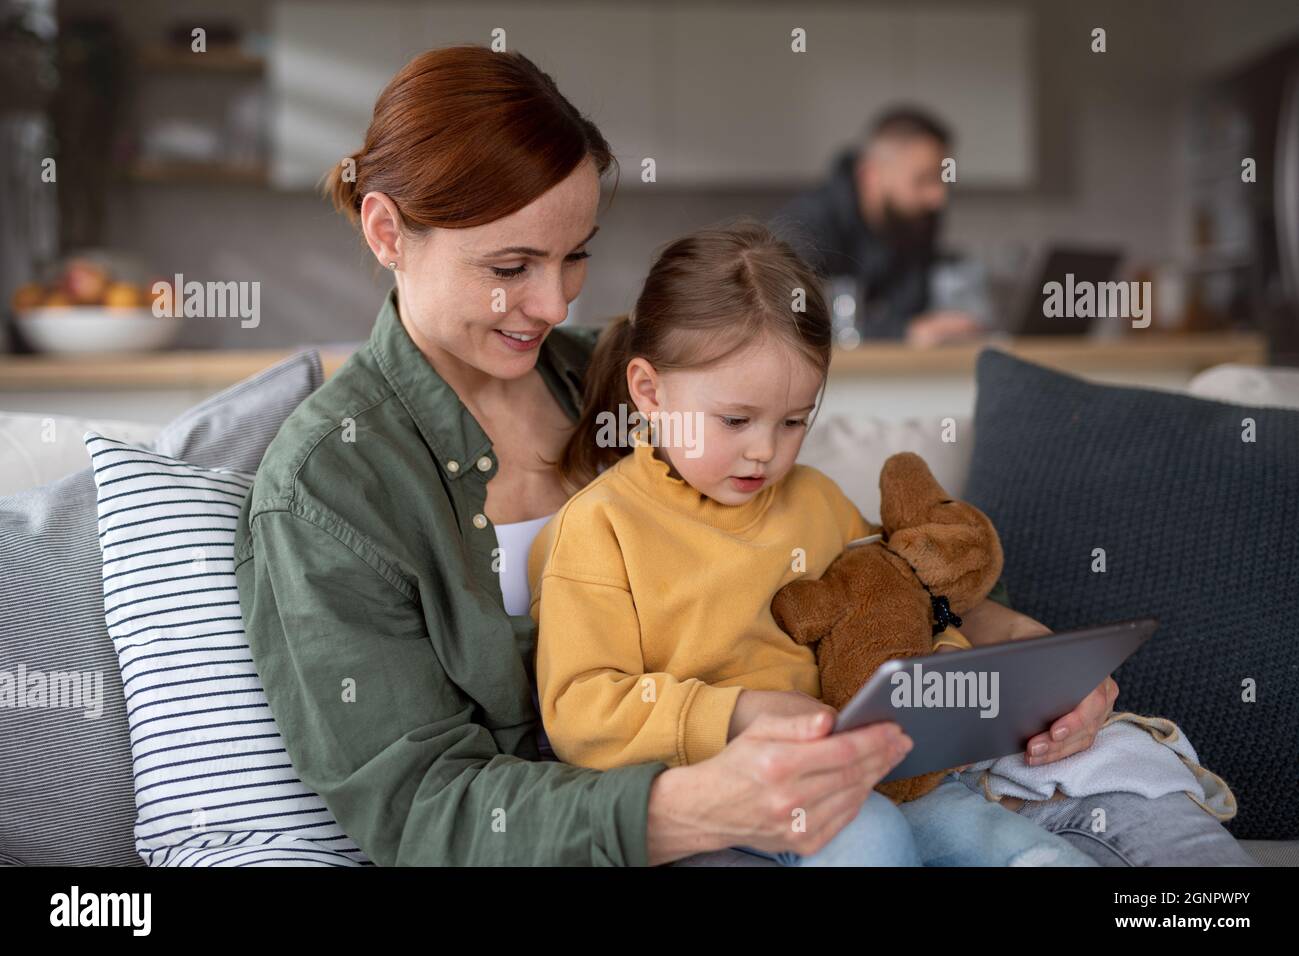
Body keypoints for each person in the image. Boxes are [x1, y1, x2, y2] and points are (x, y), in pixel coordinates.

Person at [233, 44, 1117, 867]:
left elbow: (871, 583)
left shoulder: (636, 384)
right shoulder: (330, 487)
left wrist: (1027, 668)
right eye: (511, 265)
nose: (549, 303)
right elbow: (417, 809)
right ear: (388, 233)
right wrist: (692, 804)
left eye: (574, 254)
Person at [527, 220, 1096, 866]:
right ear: (650, 392)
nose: (765, 450)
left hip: (868, 774)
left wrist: (951, 682)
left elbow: (897, 607)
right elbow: (579, 711)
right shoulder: (601, 527)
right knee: (873, 837)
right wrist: (739, 713)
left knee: (1019, 849)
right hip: (731, 796)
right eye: (736, 420)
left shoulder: (817, 500)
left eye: (795, 421)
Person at [773, 107, 991, 347]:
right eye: (924, 179)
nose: (938, 197)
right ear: (871, 175)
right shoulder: (804, 226)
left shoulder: (918, 219)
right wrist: (901, 332)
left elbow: (914, 306)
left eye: (942, 178)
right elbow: (786, 317)